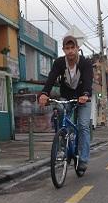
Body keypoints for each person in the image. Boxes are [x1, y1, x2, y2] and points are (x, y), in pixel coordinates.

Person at [39, 35, 93, 172]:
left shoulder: (85, 63)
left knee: (83, 126)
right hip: (66, 97)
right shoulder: (59, 63)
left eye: (72, 48)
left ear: (77, 48)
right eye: (67, 48)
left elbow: (87, 80)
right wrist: (44, 93)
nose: (70, 51)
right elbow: (51, 78)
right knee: (60, 115)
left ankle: (83, 159)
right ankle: (63, 147)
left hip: (83, 98)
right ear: (63, 50)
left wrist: (86, 94)